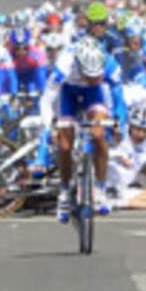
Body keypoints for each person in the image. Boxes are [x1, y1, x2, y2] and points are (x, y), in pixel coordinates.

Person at [40, 37, 127, 221]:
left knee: (99, 134)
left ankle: (100, 189)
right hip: (68, 94)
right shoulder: (64, 64)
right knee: (64, 145)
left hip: (93, 95)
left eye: (98, 75)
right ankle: (64, 192)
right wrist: (50, 126)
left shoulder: (110, 63)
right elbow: (46, 99)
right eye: (90, 75)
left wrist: (119, 123)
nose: (94, 78)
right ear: (80, 65)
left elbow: (119, 99)